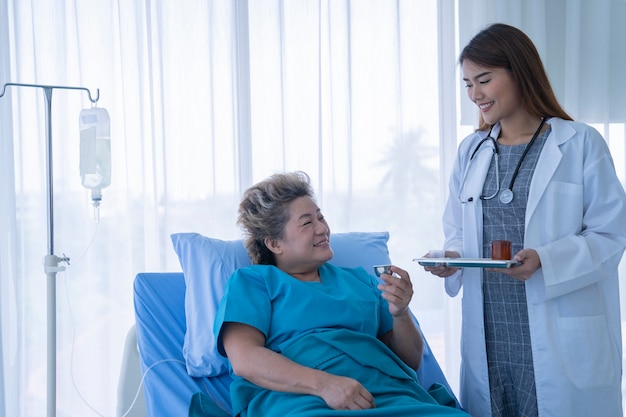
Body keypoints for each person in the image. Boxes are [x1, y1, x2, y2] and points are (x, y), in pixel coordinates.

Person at [423, 23, 626, 417]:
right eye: (467, 84)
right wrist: (451, 258)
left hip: (558, 330)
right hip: (491, 332)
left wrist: (546, 260)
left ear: (519, 71)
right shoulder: (472, 151)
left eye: (484, 80)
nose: (474, 94)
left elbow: (610, 233)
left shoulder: (580, 143)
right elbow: (460, 230)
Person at [210, 171, 471, 416]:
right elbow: (245, 359)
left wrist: (401, 314)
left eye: (321, 218)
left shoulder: (360, 280)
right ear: (275, 243)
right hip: (300, 399)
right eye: (307, 223)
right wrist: (325, 385)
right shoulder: (254, 282)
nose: (323, 228)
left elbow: (410, 362)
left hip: (387, 395)